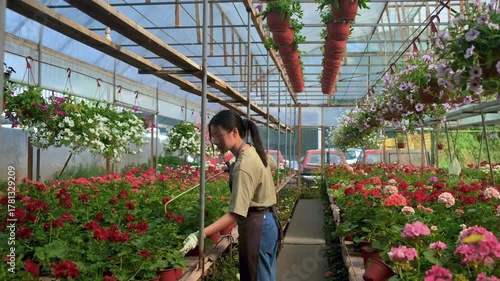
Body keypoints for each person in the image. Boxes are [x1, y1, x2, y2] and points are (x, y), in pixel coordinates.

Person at [179, 110, 282, 281]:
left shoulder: (244, 165)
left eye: (218, 136)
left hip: (258, 227)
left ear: (234, 132)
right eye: (212, 138)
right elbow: (272, 163)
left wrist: (200, 234)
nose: (215, 142)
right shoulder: (252, 150)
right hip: (268, 222)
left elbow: (236, 213)